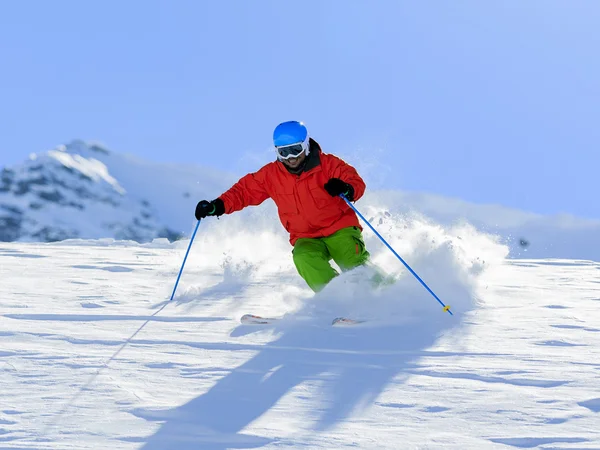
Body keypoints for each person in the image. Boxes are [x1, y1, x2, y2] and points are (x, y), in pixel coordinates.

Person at [195, 120, 372, 292]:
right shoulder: (271, 175)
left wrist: (346, 188)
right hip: (306, 236)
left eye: (296, 150)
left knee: (353, 263)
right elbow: (243, 192)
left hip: (339, 228)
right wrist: (216, 206)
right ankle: (339, 298)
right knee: (303, 258)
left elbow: (354, 181)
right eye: (283, 152)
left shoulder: (328, 165)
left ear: (306, 145)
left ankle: (386, 295)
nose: (291, 158)